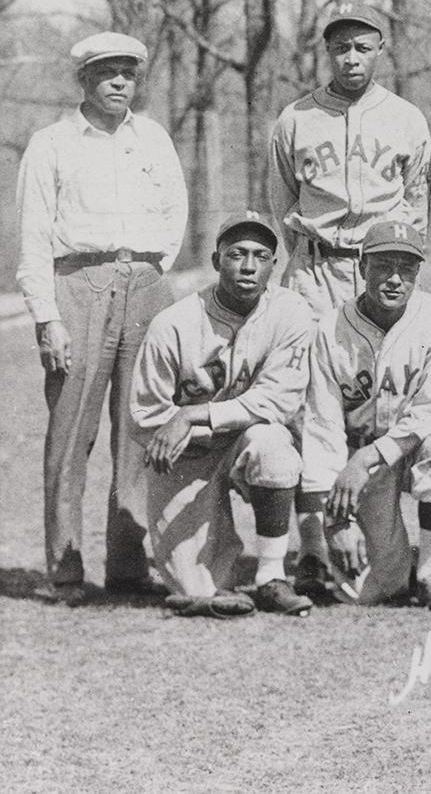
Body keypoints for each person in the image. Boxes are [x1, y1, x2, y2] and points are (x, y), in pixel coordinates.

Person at [265, 0, 431, 599]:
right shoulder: (295, 118)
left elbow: (415, 203)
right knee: (314, 403)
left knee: (383, 401)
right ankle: (312, 548)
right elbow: (282, 203)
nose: (352, 57)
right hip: (316, 268)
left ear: (381, 48)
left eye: (363, 46)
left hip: (380, 269)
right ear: (327, 51)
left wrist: (389, 263)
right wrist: (306, 263)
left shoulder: (408, 119)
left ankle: (385, 538)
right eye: (341, 47)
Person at [16, 32, 188, 603]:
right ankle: (65, 569)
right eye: (107, 73)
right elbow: (35, 238)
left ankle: (129, 563)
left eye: (128, 74)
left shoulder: (153, 138)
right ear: (83, 80)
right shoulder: (52, 143)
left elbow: (174, 211)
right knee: (71, 433)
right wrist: (48, 316)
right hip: (77, 286)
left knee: (138, 425)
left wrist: (151, 271)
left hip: (143, 284)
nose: (119, 83)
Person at [129, 213, 318, 617]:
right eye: (236, 254)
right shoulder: (174, 324)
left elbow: (279, 400)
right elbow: (145, 415)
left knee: (273, 444)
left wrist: (193, 414)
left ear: (274, 265)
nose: (248, 266)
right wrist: (188, 427)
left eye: (260, 256)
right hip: (189, 455)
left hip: (246, 440)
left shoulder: (291, 311)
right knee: (198, 588)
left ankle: (270, 576)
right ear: (216, 262)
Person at [301, 220, 431, 611]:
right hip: (356, 464)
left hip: (409, 447)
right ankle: (397, 569)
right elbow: (321, 426)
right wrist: (335, 522)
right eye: (383, 265)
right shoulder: (330, 329)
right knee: (368, 591)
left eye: (406, 268)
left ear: (417, 273)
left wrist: (368, 457)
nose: (395, 279)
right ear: (362, 267)